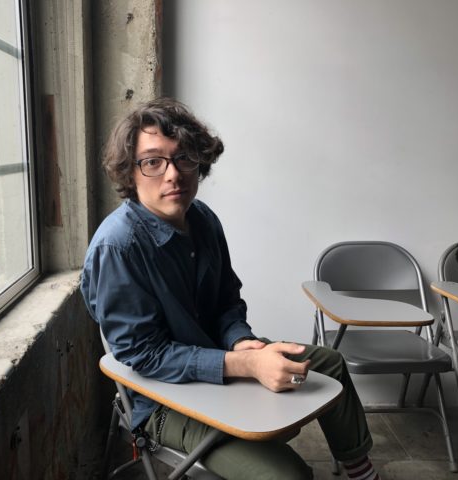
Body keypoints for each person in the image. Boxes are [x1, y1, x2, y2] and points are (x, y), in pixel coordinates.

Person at [81, 98, 380, 480]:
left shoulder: (203, 219)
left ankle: (361, 472)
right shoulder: (118, 246)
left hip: (220, 358)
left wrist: (241, 342)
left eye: (184, 158)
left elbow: (227, 302)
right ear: (130, 172)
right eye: (153, 162)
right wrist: (246, 365)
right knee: (287, 476)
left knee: (331, 365)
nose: (173, 174)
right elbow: (143, 355)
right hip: (162, 401)